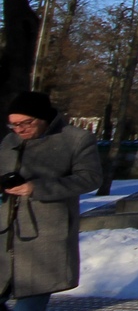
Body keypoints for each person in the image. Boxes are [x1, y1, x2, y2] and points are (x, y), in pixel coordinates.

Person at [0, 92, 101, 311]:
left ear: (43, 117)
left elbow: (89, 178)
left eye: (25, 123)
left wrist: (37, 188)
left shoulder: (76, 139)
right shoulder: (9, 141)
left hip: (45, 235)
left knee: (29, 303)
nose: (19, 130)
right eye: (13, 125)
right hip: (5, 234)